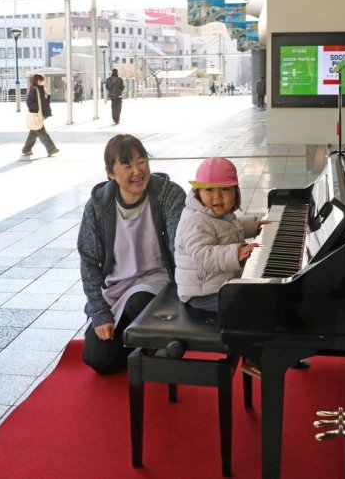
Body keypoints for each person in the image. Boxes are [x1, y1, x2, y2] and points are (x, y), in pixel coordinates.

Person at [77, 134, 186, 374]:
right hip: (116, 292)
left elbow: (184, 242)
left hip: (158, 285)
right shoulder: (97, 206)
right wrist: (99, 313)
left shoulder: (168, 194)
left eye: (142, 161)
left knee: (140, 302)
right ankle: (149, 342)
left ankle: (153, 341)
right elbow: (89, 263)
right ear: (110, 173)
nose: (137, 171)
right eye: (127, 165)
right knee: (99, 360)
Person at [174, 157, 261, 313]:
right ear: (198, 192)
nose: (217, 196)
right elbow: (202, 255)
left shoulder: (213, 215)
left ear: (236, 192)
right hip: (202, 294)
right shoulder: (195, 220)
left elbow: (227, 230)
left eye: (225, 189)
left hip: (216, 283)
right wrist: (236, 253)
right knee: (251, 305)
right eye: (209, 189)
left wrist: (254, 226)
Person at [22, 74, 59, 158]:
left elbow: (44, 103)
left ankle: (26, 149)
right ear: (37, 80)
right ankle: (51, 149)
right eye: (41, 80)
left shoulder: (40, 89)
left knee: (34, 133)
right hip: (37, 115)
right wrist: (38, 110)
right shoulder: (34, 89)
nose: (43, 81)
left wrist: (48, 96)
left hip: (41, 114)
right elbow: (29, 102)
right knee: (42, 132)